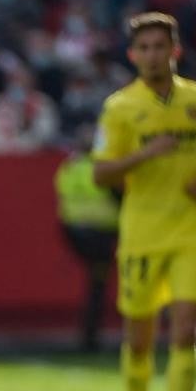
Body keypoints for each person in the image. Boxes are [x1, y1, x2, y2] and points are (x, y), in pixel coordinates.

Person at [92, 12, 196, 391]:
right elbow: (100, 172)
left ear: (175, 51)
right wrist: (144, 154)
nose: (153, 55)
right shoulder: (119, 107)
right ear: (133, 55)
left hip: (193, 228)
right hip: (142, 233)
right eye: (144, 48)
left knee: (187, 330)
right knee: (138, 342)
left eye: (160, 46)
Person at [54, 124, 120, 353]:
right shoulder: (102, 168)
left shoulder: (69, 168)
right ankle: (91, 336)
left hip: (74, 233)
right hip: (101, 235)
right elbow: (117, 197)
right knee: (98, 284)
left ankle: (90, 334)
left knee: (96, 283)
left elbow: (63, 197)